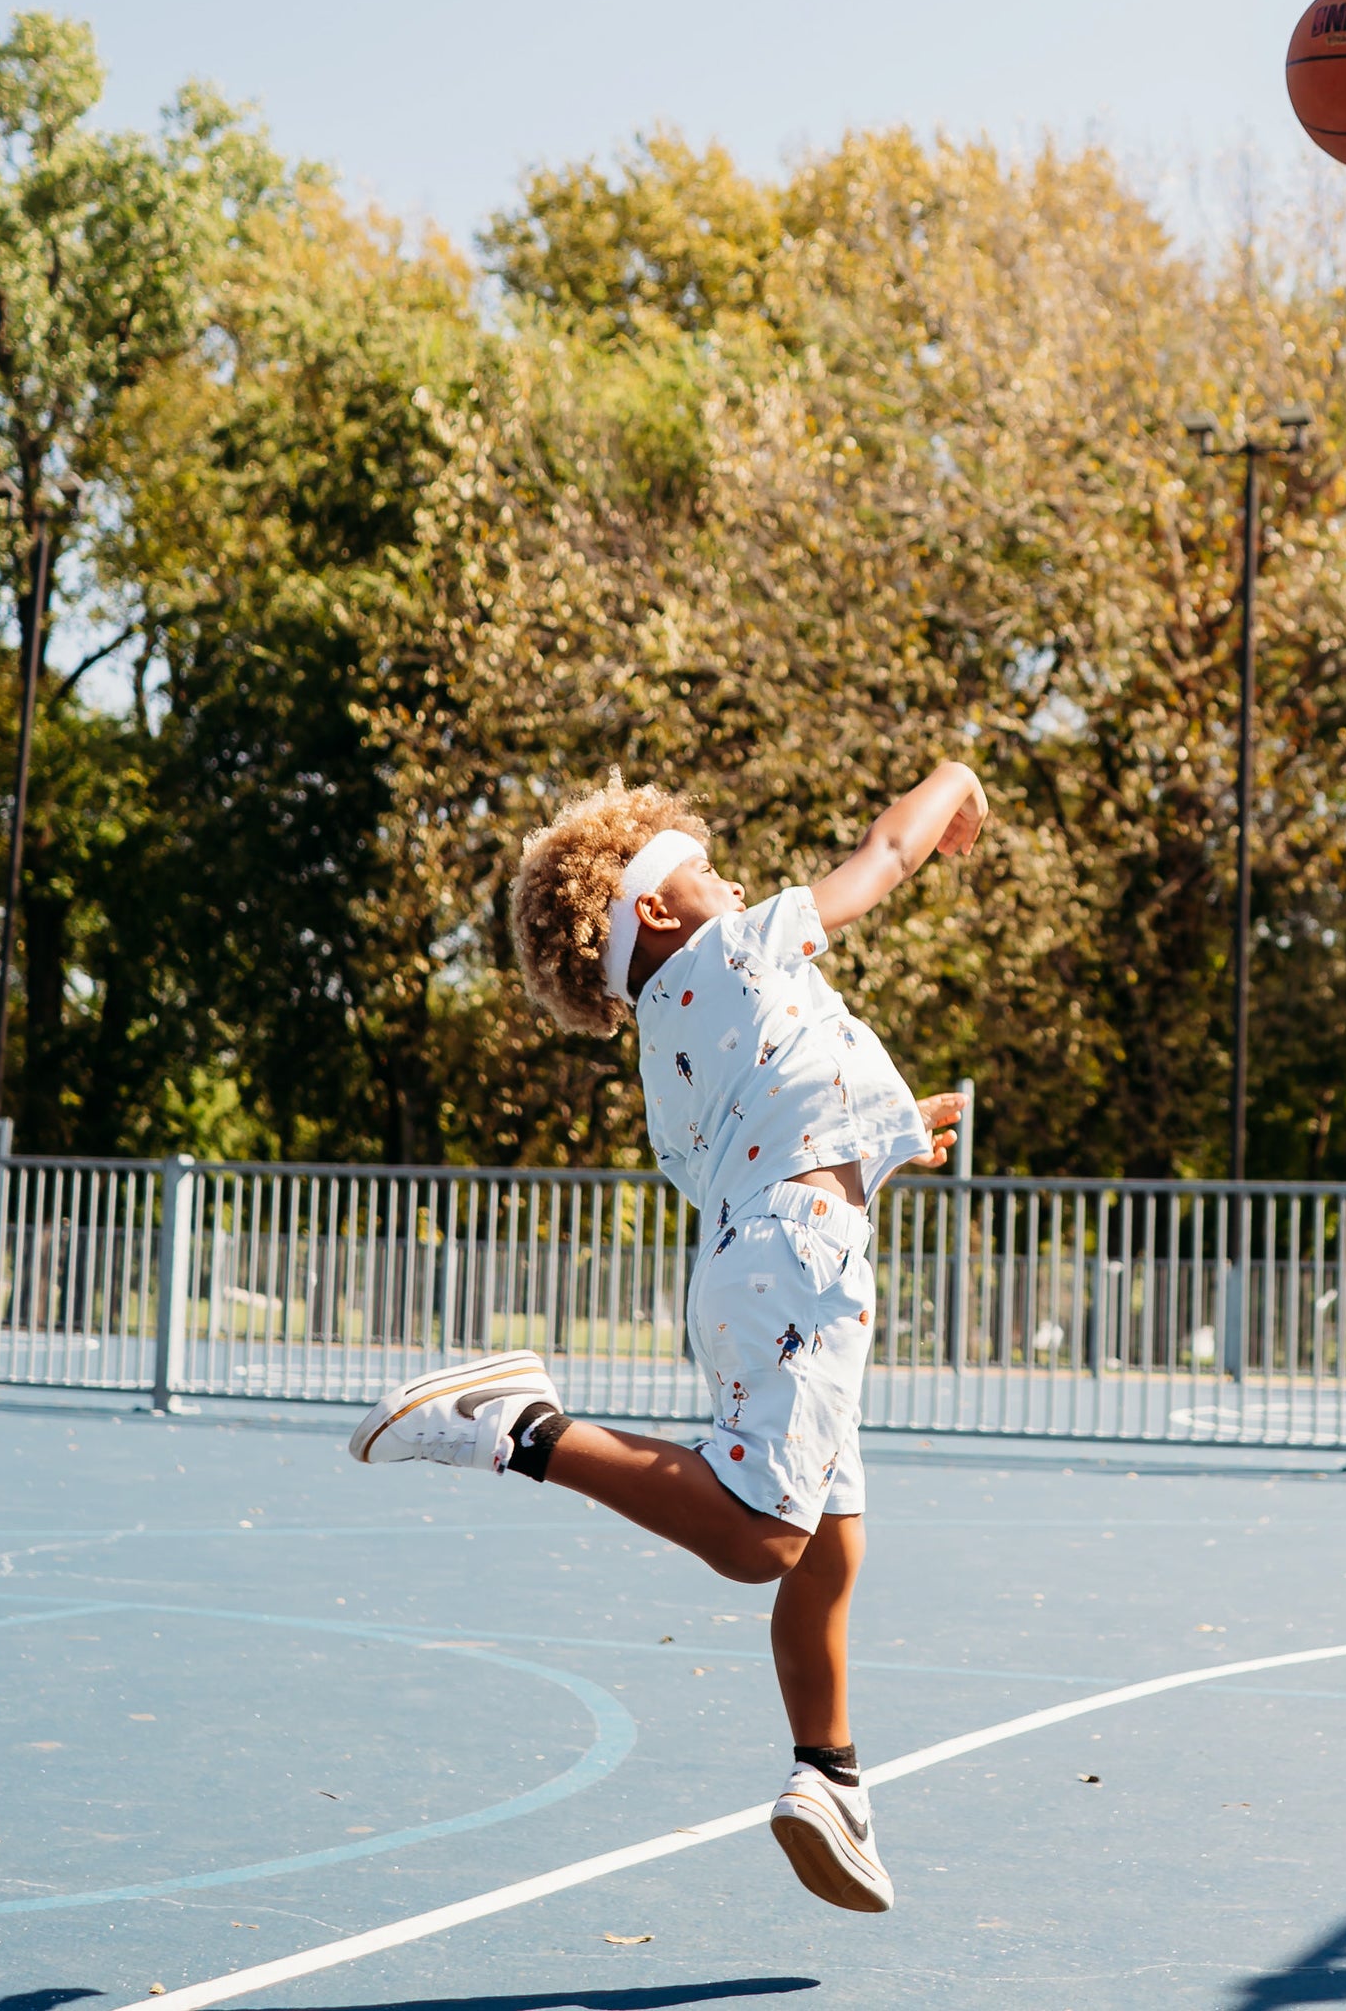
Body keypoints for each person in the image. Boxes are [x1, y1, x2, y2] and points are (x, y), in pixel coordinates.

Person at [343, 764, 984, 1915]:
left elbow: (791, 1113)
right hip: (804, 1263)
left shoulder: (667, 1052)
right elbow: (884, 856)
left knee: (831, 1543)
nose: (730, 878)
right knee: (760, 1544)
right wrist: (957, 782)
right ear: (652, 906)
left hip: (757, 1262)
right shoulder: (740, 949)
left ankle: (827, 1774)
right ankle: (523, 1428)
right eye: (706, 865)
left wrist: (895, 1127)